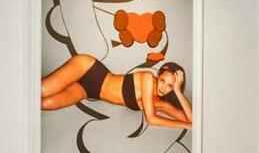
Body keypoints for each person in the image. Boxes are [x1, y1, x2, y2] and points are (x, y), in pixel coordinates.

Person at [40, 54, 193, 126]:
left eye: (170, 86)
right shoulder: (147, 78)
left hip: (87, 91)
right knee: (43, 89)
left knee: (45, 104)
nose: (163, 87)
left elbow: (191, 119)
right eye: (162, 81)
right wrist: (185, 126)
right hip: (89, 70)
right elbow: (151, 119)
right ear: (158, 75)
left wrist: (178, 91)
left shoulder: (161, 103)